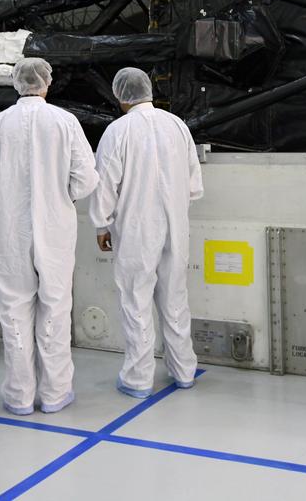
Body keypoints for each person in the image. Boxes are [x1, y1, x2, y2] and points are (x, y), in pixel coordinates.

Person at [0, 57, 98, 415]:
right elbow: (87, 178)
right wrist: (63, 196)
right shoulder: (64, 121)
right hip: (55, 228)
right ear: (46, 83)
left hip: (9, 230)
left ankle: (18, 396)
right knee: (55, 308)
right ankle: (56, 393)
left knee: (14, 310)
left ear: (16, 82)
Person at [90, 68, 202, 398]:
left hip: (137, 228)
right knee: (175, 298)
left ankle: (138, 379)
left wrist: (101, 223)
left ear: (120, 94)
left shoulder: (117, 131)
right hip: (176, 226)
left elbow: (105, 181)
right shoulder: (177, 125)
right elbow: (194, 184)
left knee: (136, 300)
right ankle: (184, 370)